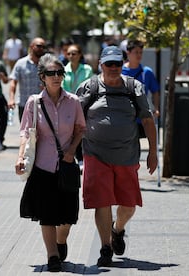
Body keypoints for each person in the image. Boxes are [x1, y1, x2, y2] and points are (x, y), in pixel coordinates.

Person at [76, 46, 158, 267]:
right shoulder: (89, 87)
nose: (113, 68)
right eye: (109, 64)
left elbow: (148, 120)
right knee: (101, 202)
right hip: (95, 153)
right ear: (100, 65)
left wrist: (153, 152)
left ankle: (117, 229)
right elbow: (75, 118)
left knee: (128, 204)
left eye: (117, 64)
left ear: (122, 65)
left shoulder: (134, 87)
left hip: (127, 155)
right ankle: (105, 248)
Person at [15, 53, 85, 272]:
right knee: (47, 216)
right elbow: (26, 133)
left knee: (66, 218)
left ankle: (61, 241)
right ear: (42, 77)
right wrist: (20, 158)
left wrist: (71, 150)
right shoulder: (33, 103)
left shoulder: (73, 102)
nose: (56, 77)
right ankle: (52, 255)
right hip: (42, 167)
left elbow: (80, 129)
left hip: (66, 166)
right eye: (51, 73)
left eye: (59, 73)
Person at [61, 44, 93, 170]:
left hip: (83, 105)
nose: (71, 56)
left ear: (80, 55)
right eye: (69, 53)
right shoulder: (63, 69)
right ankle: (71, 156)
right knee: (69, 132)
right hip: (67, 105)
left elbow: (89, 87)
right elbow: (63, 88)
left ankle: (81, 158)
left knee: (80, 131)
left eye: (74, 53)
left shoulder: (87, 69)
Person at [8, 37, 46, 121]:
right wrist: (11, 99)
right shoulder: (21, 63)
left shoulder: (46, 64)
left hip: (42, 105)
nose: (41, 49)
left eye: (43, 47)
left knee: (42, 133)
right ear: (31, 46)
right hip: (24, 105)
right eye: (39, 46)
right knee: (25, 133)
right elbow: (13, 82)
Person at [122, 40, 160, 118]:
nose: (139, 55)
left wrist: (156, 108)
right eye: (136, 52)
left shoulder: (147, 72)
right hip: (124, 117)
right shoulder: (120, 71)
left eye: (141, 52)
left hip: (142, 117)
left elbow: (155, 91)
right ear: (128, 53)